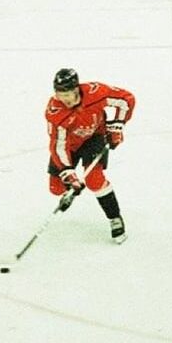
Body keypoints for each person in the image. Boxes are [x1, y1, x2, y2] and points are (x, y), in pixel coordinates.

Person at [45, 68, 135, 243]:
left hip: (94, 138)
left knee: (95, 180)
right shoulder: (55, 112)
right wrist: (69, 174)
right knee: (56, 189)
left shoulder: (96, 93)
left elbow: (126, 99)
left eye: (68, 94)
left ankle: (114, 218)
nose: (65, 99)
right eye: (60, 95)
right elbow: (58, 146)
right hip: (69, 146)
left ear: (77, 89)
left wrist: (116, 126)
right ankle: (71, 190)